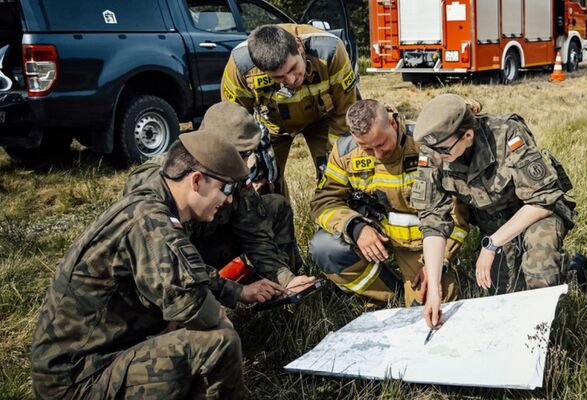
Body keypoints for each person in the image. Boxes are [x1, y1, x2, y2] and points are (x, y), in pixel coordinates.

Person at [30, 130, 276, 399]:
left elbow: (185, 271)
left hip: (91, 360)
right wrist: (216, 314)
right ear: (196, 181)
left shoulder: (151, 205)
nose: (229, 199)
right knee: (219, 341)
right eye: (225, 188)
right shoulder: (151, 222)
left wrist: (236, 292)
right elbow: (198, 309)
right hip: (77, 382)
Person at [410, 94, 576, 328]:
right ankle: (573, 267)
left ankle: (549, 337)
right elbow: (432, 220)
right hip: (494, 224)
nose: (438, 158)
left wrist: (491, 245)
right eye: (432, 150)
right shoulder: (435, 149)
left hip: (534, 214)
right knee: (505, 296)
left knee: (540, 270)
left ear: (467, 135)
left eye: (444, 152)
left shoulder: (507, 133)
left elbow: (542, 199)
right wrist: (435, 289)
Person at [124, 102, 317, 301]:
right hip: (167, 267)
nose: (243, 165)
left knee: (275, 205)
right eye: (237, 155)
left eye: (246, 155)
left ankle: (270, 289)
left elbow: (255, 232)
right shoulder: (158, 179)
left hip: (207, 250)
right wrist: (232, 293)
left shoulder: (232, 173)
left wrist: (285, 281)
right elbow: (164, 259)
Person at [308, 99, 470, 307]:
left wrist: (438, 262)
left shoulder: (427, 144)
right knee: (325, 248)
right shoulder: (344, 152)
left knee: (434, 302)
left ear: (393, 124)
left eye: (381, 144)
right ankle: (387, 296)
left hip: (422, 243)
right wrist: (356, 227)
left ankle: (410, 291)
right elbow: (323, 201)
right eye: (366, 148)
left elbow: (456, 212)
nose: (377, 154)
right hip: (373, 235)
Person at [221, 23, 358, 196]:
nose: (291, 79)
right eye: (279, 77)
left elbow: (346, 111)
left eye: (293, 68)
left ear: (299, 47)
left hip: (322, 118)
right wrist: (250, 158)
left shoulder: (330, 51)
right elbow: (234, 121)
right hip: (272, 124)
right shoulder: (240, 67)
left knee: (334, 175)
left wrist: (335, 155)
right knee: (265, 183)